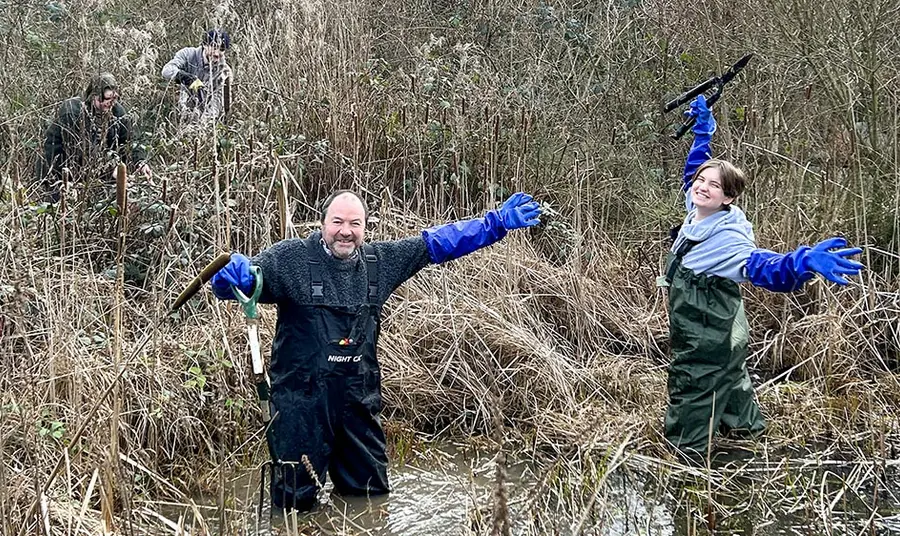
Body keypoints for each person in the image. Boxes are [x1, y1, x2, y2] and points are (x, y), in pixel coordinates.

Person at [210, 190, 541, 510]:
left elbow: (439, 243)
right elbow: (249, 280)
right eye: (337, 222)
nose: (345, 232)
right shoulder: (290, 259)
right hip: (301, 404)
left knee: (370, 499)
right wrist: (231, 278)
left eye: (355, 224)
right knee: (295, 504)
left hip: (358, 401)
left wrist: (495, 223)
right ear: (322, 223)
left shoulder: (381, 262)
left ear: (365, 228)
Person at [661, 95, 864, 459]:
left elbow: (764, 268)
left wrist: (802, 263)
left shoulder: (727, 240)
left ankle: (687, 460)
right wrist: (704, 132)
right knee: (732, 376)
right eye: (701, 180)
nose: (702, 186)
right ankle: (745, 434)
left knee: (694, 382)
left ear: (728, 198)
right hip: (726, 326)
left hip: (707, 331)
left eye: (714, 186)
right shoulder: (696, 210)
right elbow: (693, 167)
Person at [35, 72, 151, 202]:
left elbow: (130, 140)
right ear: (94, 96)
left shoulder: (117, 111)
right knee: (60, 208)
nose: (111, 103)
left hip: (95, 170)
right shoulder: (72, 111)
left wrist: (139, 162)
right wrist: (111, 170)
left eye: (114, 98)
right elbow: (81, 152)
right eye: (107, 99)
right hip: (59, 170)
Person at [161, 29, 232, 124]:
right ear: (204, 44)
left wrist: (203, 125)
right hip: (182, 113)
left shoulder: (224, 72)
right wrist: (188, 78)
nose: (216, 53)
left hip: (207, 120)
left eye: (222, 49)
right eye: (213, 47)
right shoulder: (188, 54)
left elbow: (217, 104)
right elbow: (166, 70)